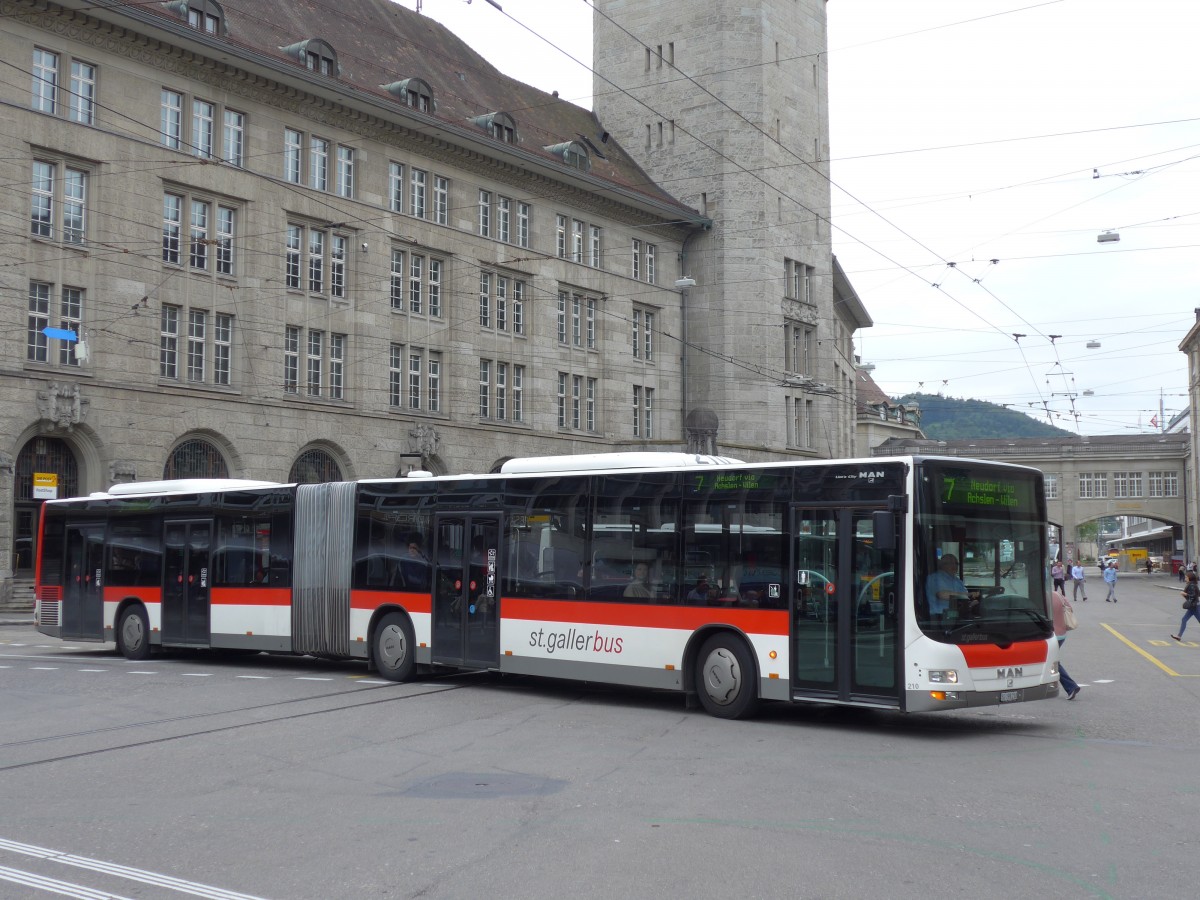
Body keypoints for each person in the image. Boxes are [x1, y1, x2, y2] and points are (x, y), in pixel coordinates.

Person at [1051, 588, 1082, 700]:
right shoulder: (1058, 595)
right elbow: (1070, 609)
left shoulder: (1041, 597)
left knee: (1051, 662)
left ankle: (1071, 686)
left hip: (1050, 635)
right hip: (1062, 634)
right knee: (1049, 660)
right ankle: (1050, 684)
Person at [925, 553, 968, 619]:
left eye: (956, 563)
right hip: (939, 617)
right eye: (950, 563)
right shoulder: (934, 578)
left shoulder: (958, 581)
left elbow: (965, 597)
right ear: (941, 565)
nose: (954, 566)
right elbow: (942, 595)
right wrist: (965, 595)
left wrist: (970, 603)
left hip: (956, 615)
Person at [1172, 571, 1200, 642]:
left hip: (1195, 607)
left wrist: (1184, 594)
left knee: (1184, 620)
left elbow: (1193, 596)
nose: (1185, 578)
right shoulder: (1192, 584)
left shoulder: (1192, 585)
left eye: (1186, 577)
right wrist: (1185, 595)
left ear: (1189, 578)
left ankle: (1179, 636)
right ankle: (1179, 636)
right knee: (1184, 620)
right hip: (1192, 606)